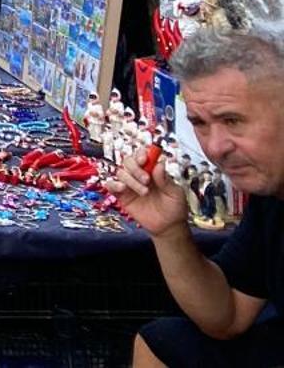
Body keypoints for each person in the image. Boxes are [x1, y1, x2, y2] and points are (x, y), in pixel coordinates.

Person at [114, 28, 284, 366]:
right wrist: (168, 232)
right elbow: (229, 315)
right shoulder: (270, 190)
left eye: (232, 120)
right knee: (162, 342)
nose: (216, 147)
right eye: (200, 123)